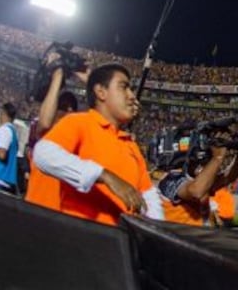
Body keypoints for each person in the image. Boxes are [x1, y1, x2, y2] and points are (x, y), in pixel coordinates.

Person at [32, 63, 163, 225]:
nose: (131, 96)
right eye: (124, 87)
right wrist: (104, 176)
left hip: (118, 243)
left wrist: (157, 230)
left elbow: (149, 195)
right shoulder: (80, 122)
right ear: (101, 92)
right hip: (79, 238)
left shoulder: (131, 146)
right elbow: (43, 153)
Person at [25, 52, 85, 209]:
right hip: (36, 208)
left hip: (63, 214)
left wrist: (88, 80)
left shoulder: (78, 138)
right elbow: (44, 123)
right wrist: (57, 75)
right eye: (63, 107)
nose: (69, 110)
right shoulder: (45, 132)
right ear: (54, 110)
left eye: (72, 108)